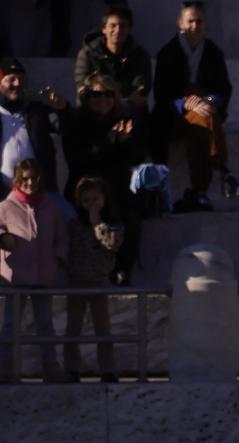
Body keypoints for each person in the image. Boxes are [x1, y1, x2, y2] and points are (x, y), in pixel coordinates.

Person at [151, 0, 239, 212]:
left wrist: (206, 102)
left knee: (203, 122)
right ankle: (223, 171)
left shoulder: (213, 52)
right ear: (181, 24)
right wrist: (187, 103)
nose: (195, 26)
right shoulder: (168, 52)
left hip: (203, 112)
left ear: (205, 24)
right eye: (190, 21)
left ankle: (201, 190)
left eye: (199, 21)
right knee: (202, 113)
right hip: (174, 116)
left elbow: (223, 90)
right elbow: (161, 95)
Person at [62, 74, 145, 284]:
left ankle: (122, 270)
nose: (103, 99)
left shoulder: (123, 120)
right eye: (97, 95)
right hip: (85, 189)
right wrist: (110, 141)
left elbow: (137, 156)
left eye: (109, 94)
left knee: (131, 219)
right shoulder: (77, 122)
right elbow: (80, 160)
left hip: (116, 190)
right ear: (88, 98)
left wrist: (124, 142)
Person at [0, 159, 69, 382]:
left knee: (45, 325)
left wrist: (59, 259)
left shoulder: (52, 207)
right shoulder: (5, 208)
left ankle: (51, 369)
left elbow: (62, 238)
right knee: (10, 326)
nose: (30, 183)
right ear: (18, 180)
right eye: (25, 179)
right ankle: (6, 370)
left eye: (34, 178)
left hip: (44, 276)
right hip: (16, 277)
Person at [64, 177, 123, 382]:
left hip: (99, 281)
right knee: (73, 328)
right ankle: (71, 369)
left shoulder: (112, 224)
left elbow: (113, 243)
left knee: (103, 328)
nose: (91, 204)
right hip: (76, 281)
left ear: (104, 199)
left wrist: (97, 224)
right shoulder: (73, 225)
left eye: (95, 199)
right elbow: (66, 249)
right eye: (86, 200)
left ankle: (108, 370)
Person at [0, 56, 68, 198]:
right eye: (11, 79)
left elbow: (65, 128)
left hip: (38, 193)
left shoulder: (37, 110)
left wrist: (62, 110)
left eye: (21, 79)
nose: (18, 83)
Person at [73, 3, 152, 111]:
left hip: (128, 110)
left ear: (129, 29)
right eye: (113, 25)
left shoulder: (140, 55)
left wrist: (114, 97)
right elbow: (83, 87)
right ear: (104, 29)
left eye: (123, 26)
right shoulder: (87, 54)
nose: (118, 30)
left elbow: (141, 90)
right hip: (94, 112)